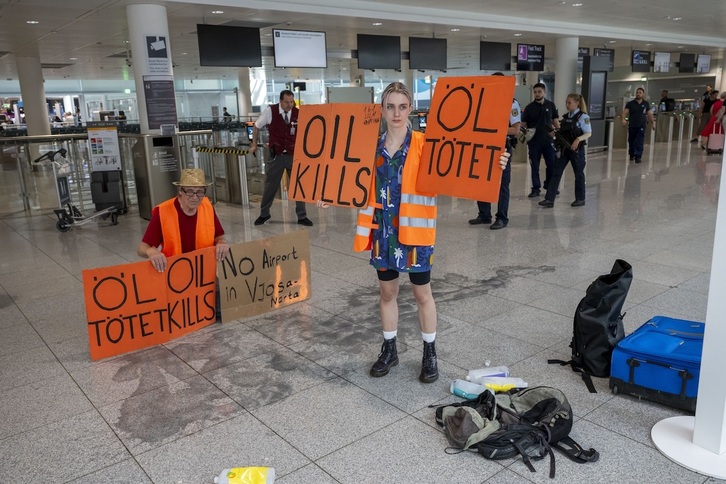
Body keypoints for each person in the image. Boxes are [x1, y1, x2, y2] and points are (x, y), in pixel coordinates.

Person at [320, 82, 509, 383]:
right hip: (383, 232)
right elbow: (352, 180)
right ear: (381, 110)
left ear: (410, 109)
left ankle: (429, 352)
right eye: (390, 106)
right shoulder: (370, 147)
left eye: (402, 106)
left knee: (423, 293)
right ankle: (389, 349)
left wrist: (493, 163)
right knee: (387, 292)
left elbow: (461, 168)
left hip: (415, 232)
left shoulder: (426, 145)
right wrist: (331, 194)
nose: (396, 113)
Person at [137, 168, 230, 272]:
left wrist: (222, 242)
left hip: (203, 271)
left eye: (200, 192)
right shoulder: (163, 211)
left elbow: (218, 237)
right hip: (174, 273)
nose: (195, 197)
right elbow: (141, 249)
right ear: (180, 191)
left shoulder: (207, 207)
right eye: (190, 191)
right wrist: (150, 251)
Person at [251, 90, 313, 226]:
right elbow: (256, 126)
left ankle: (302, 216)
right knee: (270, 186)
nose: (290, 105)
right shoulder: (270, 111)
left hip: (293, 155)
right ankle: (264, 214)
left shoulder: (298, 113)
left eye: (292, 102)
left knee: (298, 186)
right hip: (276, 155)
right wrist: (254, 144)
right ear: (280, 101)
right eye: (287, 102)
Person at [468, 72, 521, 230]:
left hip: (502, 147)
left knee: (503, 183)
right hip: (484, 146)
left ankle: (502, 217)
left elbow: (515, 130)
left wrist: (494, 129)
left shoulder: (511, 104)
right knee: (481, 181)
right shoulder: (485, 101)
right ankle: (484, 214)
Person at [539, 93, 592, 208]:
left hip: (576, 150)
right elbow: (562, 132)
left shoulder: (583, 117)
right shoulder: (566, 117)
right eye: (566, 103)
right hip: (564, 149)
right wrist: (555, 133)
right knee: (556, 172)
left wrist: (578, 139)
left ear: (577, 103)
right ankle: (549, 199)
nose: (567, 105)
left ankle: (580, 198)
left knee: (578, 174)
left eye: (569, 103)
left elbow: (588, 133)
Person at [521, 82, 559, 198]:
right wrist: (525, 132)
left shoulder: (551, 105)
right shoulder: (529, 108)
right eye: (535, 92)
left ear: (544, 92)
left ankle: (549, 185)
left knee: (551, 164)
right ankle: (535, 188)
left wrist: (557, 133)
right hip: (534, 142)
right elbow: (523, 124)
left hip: (548, 141)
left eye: (539, 92)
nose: (537, 94)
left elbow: (555, 121)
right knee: (534, 166)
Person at [622, 87, 655, 163]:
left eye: (640, 93)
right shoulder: (630, 104)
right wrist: (623, 119)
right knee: (631, 141)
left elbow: (650, 114)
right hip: (632, 125)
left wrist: (653, 122)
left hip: (641, 125)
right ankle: (632, 154)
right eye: (637, 92)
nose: (638, 94)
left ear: (643, 94)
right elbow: (625, 113)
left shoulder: (645, 104)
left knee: (639, 141)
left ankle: (638, 156)